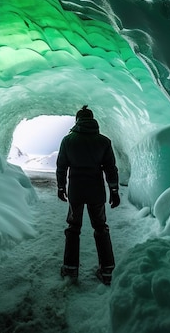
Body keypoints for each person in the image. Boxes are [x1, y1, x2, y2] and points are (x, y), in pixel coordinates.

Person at [56, 105, 120, 285]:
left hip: (76, 190)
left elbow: (61, 166)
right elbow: (110, 168)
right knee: (101, 227)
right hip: (96, 191)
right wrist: (114, 190)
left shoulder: (68, 140)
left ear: (77, 120)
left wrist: (61, 187)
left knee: (73, 227)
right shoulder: (103, 141)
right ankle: (107, 269)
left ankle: (70, 268)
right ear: (92, 119)